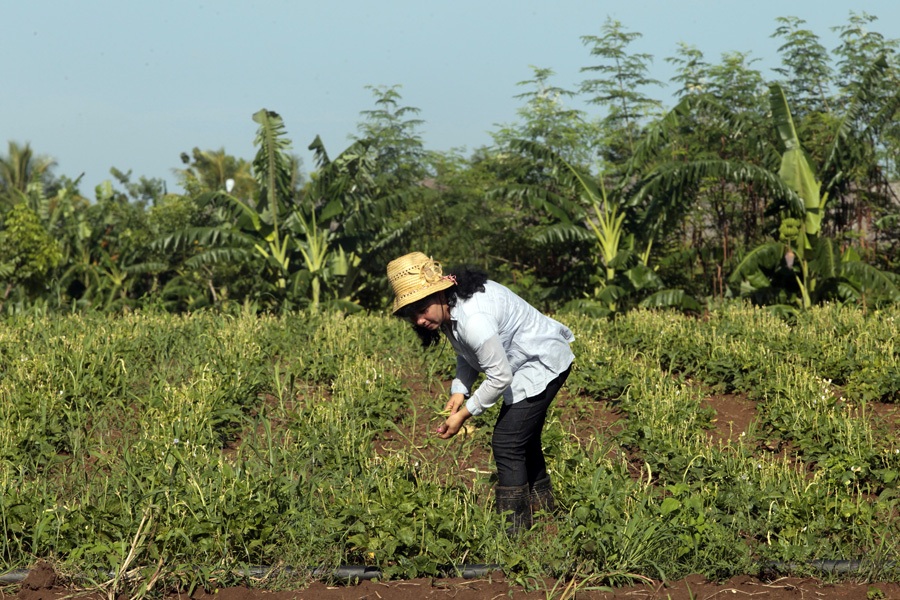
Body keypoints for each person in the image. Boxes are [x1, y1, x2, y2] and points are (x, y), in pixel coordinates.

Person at [387, 252, 574, 533]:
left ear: (438, 294)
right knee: (523, 437)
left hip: (542, 362)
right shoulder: (450, 310)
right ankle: (543, 510)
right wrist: (459, 391)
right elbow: (468, 353)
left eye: (422, 308)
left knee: (508, 442)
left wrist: (464, 414)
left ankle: (514, 532)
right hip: (521, 363)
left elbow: (499, 376)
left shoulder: (473, 318)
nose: (420, 320)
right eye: (411, 314)